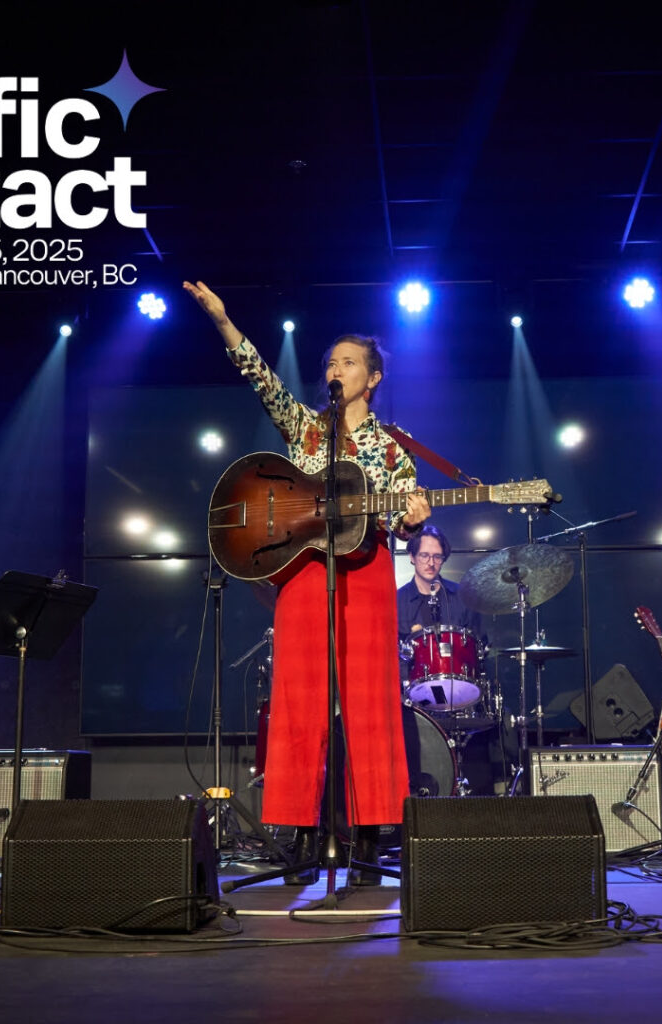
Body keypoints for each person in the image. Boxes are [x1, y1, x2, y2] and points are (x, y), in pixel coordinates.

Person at [184, 279, 431, 885]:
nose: (336, 368)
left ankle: (370, 838)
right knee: (297, 701)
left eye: (348, 361)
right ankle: (297, 836)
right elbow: (260, 376)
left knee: (371, 704)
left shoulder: (394, 452)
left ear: (372, 379)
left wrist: (415, 514)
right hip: (303, 572)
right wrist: (222, 319)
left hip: (367, 573)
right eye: (331, 361)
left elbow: (400, 524)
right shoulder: (307, 429)